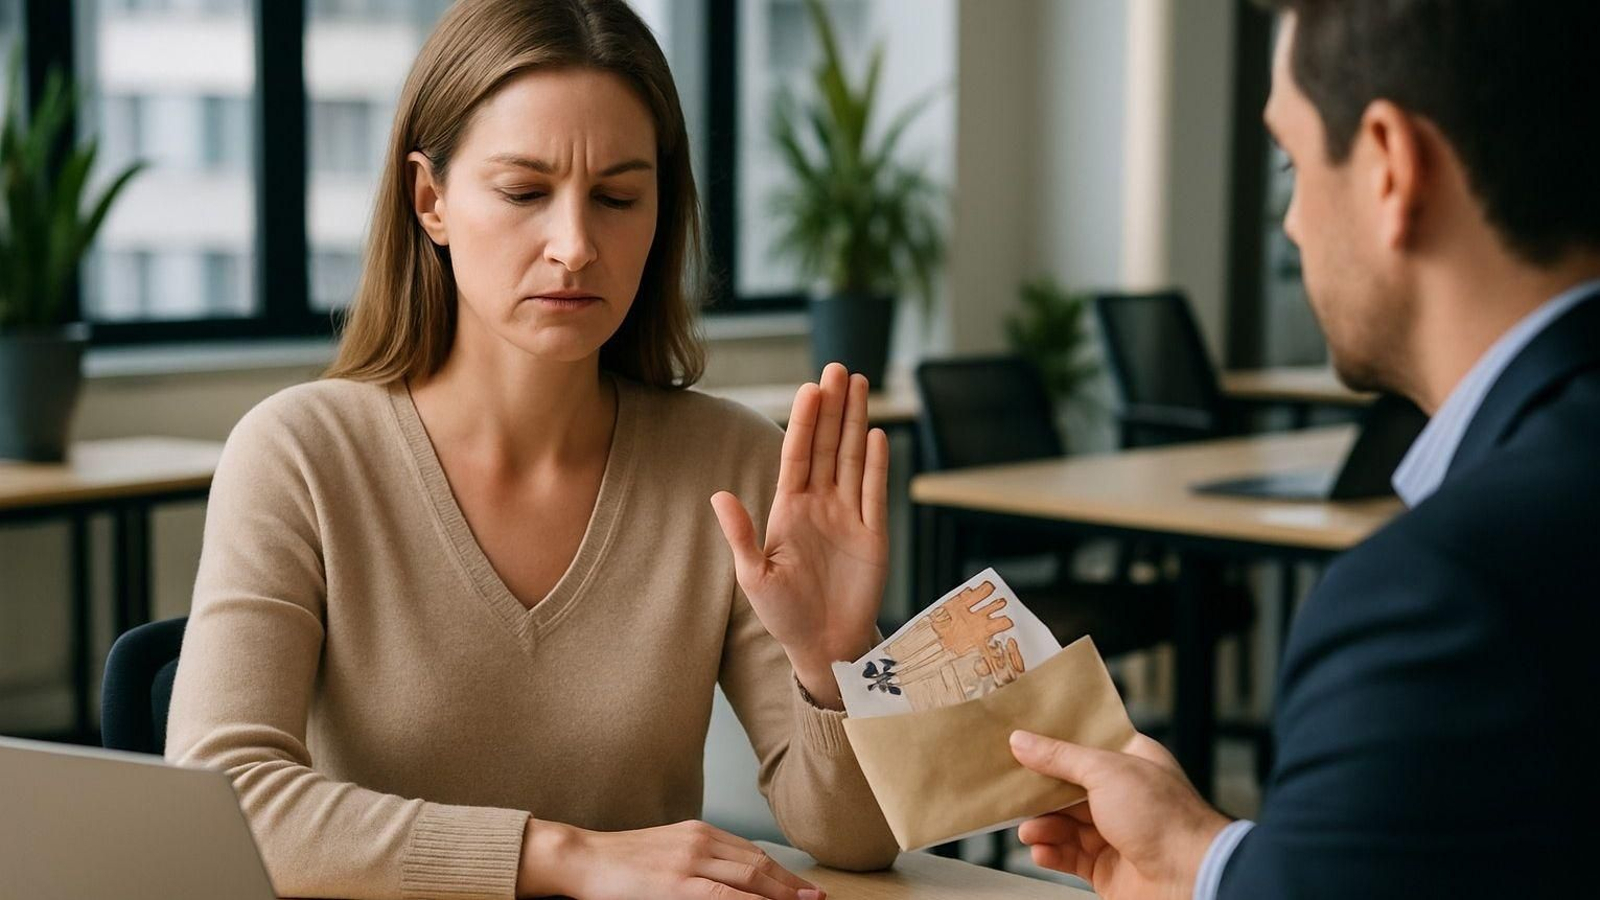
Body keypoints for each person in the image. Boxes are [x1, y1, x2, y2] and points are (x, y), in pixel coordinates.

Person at [165, 1, 899, 898]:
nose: (576, 247)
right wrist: (567, 857)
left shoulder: (733, 465)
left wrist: (837, 664)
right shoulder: (299, 457)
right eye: (523, 192)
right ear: (430, 200)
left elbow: (856, 843)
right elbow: (223, 803)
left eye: (618, 198)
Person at [1008, 2, 1600, 897]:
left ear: (1390, 167)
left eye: (1291, 162)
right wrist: (1208, 861)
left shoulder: (1435, 601)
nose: (1289, 222)